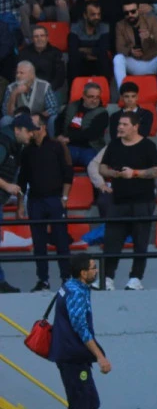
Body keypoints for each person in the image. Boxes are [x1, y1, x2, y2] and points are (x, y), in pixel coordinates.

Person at [42, 255, 109, 409]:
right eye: (93, 268)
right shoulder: (77, 292)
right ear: (83, 272)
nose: (96, 271)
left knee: (89, 403)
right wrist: (100, 356)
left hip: (70, 355)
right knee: (82, 404)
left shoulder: (69, 287)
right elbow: (80, 327)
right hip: (73, 357)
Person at [98, 111, 157, 290]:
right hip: (118, 200)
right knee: (112, 240)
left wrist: (134, 173)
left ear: (135, 127)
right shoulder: (114, 145)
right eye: (119, 124)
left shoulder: (148, 145)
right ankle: (107, 277)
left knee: (140, 242)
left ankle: (136, 278)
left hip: (142, 201)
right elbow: (102, 168)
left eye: (124, 124)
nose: (120, 127)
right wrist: (114, 173)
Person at [13, 112, 72, 291]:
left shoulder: (57, 146)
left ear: (44, 127)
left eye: (34, 126)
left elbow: (68, 173)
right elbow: (22, 180)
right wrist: (20, 204)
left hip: (55, 199)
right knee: (39, 243)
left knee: (61, 241)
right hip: (35, 201)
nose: (31, 130)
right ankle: (43, 280)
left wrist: (64, 198)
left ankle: (66, 278)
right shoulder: (27, 150)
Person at [114, 0, 157, 94]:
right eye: (126, 13)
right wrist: (130, 51)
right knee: (118, 58)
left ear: (138, 10)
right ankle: (122, 92)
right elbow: (119, 47)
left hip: (151, 60)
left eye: (133, 11)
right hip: (133, 62)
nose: (130, 15)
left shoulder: (151, 20)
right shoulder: (120, 25)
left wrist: (150, 36)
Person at [54, 81, 108, 167]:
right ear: (83, 96)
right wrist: (58, 135)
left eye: (97, 97)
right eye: (91, 97)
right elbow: (58, 121)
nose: (94, 100)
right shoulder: (71, 106)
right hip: (68, 146)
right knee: (54, 161)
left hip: (90, 148)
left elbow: (91, 134)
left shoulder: (102, 113)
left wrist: (69, 139)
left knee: (93, 167)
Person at [3, 61, 58, 130]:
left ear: (32, 75)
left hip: (38, 121)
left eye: (21, 73)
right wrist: (14, 94)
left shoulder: (45, 86)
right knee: (5, 120)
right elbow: (6, 113)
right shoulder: (11, 88)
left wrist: (37, 116)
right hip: (18, 122)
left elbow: (53, 108)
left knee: (53, 118)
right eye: (17, 73)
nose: (18, 75)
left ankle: (51, 137)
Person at [18, 24, 66, 92]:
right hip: (28, 89)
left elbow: (60, 77)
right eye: (36, 36)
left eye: (42, 36)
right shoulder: (24, 53)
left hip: (51, 89)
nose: (39, 39)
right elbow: (19, 74)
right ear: (32, 39)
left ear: (47, 38)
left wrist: (48, 89)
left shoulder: (56, 53)